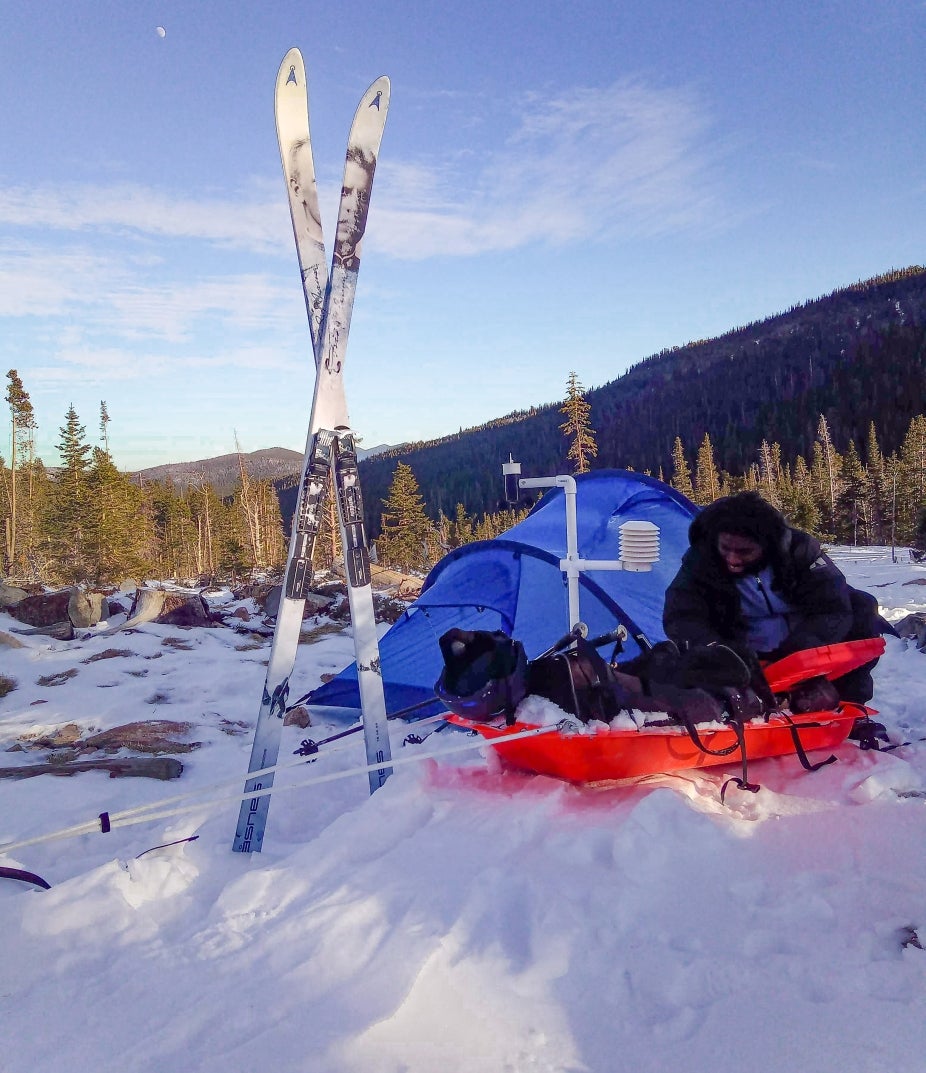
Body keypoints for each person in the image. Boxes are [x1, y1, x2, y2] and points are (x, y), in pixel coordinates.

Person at [662, 491, 885, 704]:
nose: (732, 559)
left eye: (744, 551)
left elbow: (832, 605)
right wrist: (720, 649)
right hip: (742, 650)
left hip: (800, 644)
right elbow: (681, 615)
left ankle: (851, 705)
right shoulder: (702, 560)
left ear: (766, 546)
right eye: (726, 548)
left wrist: (801, 649)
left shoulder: (800, 550)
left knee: (862, 606)